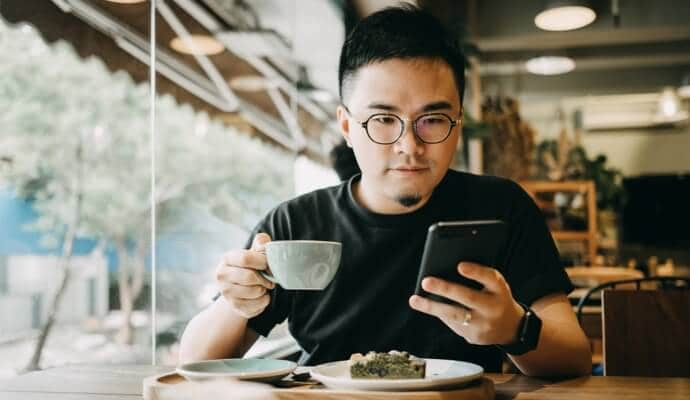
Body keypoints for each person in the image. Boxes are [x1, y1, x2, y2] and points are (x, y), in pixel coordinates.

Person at [179, 5, 591, 377]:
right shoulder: (295, 224)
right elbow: (193, 362)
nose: (408, 146)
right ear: (346, 126)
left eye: (432, 120)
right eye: (382, 120)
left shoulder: (501, 207)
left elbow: (574, 357)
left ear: (459, 123)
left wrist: (515, 329)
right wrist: (236, 302)